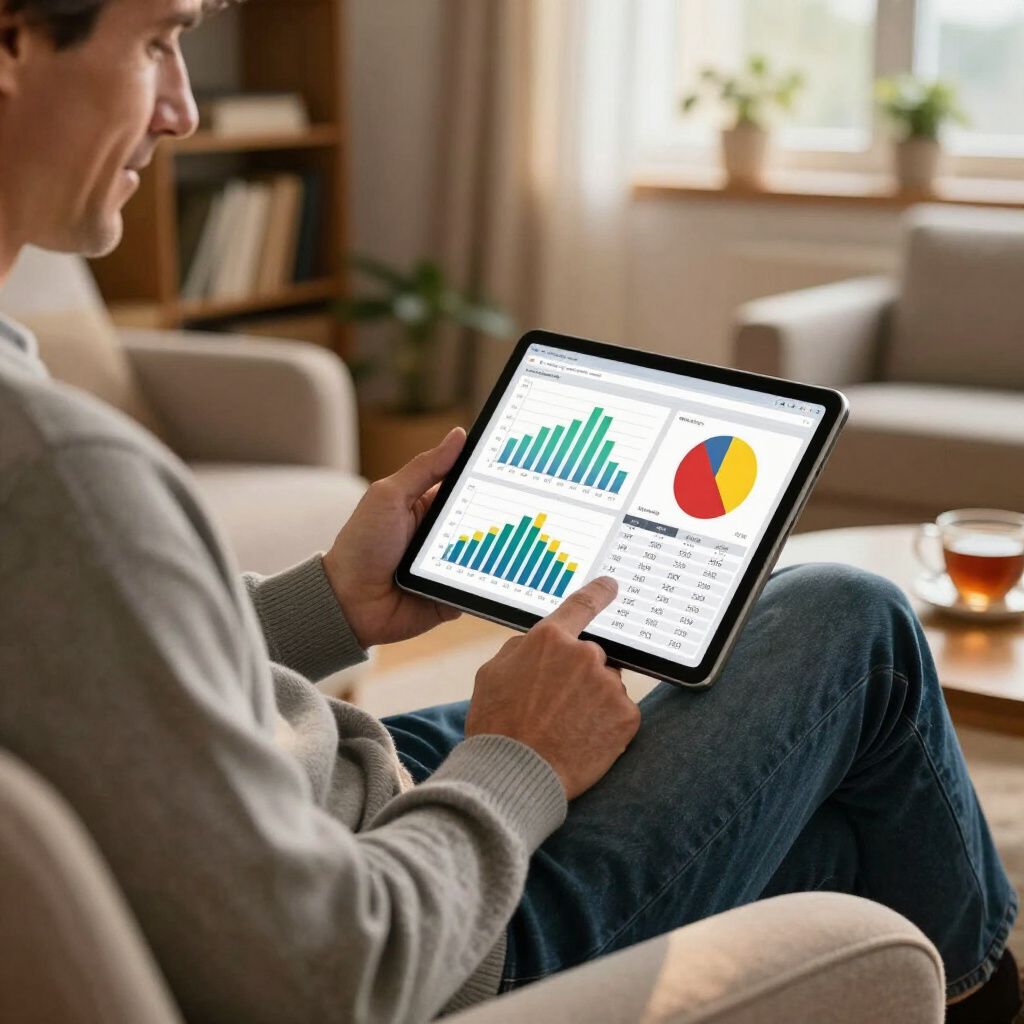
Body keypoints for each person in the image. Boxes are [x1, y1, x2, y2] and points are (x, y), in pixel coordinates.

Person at [0, 1, 1018, 1021]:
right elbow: (332, 976)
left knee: (831, 812)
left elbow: (108, 681)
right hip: (441, 929)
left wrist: (329, 605)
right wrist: (517, 757)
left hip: (333, 802)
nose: (182, 108)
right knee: (851, 625)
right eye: (156, 41)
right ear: (11, 39)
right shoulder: (60, 474)